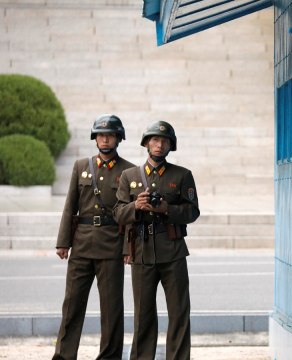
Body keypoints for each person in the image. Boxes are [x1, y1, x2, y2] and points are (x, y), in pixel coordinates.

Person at [113, 120, 200, 359]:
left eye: (164, 141)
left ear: (170, 145)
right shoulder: (129, 176)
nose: (159, 145)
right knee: (143, 315)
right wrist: (135, 206)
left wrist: (167, 209)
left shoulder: (182, 175)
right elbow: (118, 213)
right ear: (146, 144)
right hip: (141, 252)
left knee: (179, 313)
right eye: (154, 140)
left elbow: (193, 212)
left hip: (173, 252)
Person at [53, 114, 135, 359]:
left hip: (111, 246)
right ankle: (64, 356)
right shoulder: (81, 166)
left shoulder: (129, 171)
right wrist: (63, 242)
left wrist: (127, 248)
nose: (105, 139)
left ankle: (109, 356)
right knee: (71, 306)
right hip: (81, 245)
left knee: (111, 309)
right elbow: (70, 206)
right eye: (101, 135)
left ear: (118, 138)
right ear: (95, 138)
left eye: (110, 135)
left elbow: (129, 215)